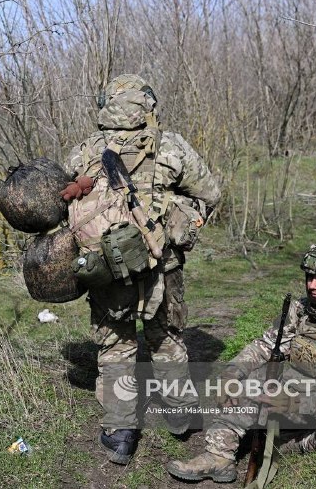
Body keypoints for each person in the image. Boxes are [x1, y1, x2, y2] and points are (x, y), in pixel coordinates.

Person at [63, 74, 221, 464]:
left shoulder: (83, 151)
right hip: (163, 264)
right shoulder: (171, 146)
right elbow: (210, 195)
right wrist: (183, 220)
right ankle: (180, 416)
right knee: (165, 336)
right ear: (147, 105)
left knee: (116, 343)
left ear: (106, 106)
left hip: (106, 268)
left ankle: (120, 432)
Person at [166, 238, 316, 483]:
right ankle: (218, 456)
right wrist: (233, 372)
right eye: (309, 276)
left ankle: (291, 444)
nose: (312, 285)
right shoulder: (302, 309)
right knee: (239, 386)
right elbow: (265, 345)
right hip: (302, 385)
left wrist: (296, 404)